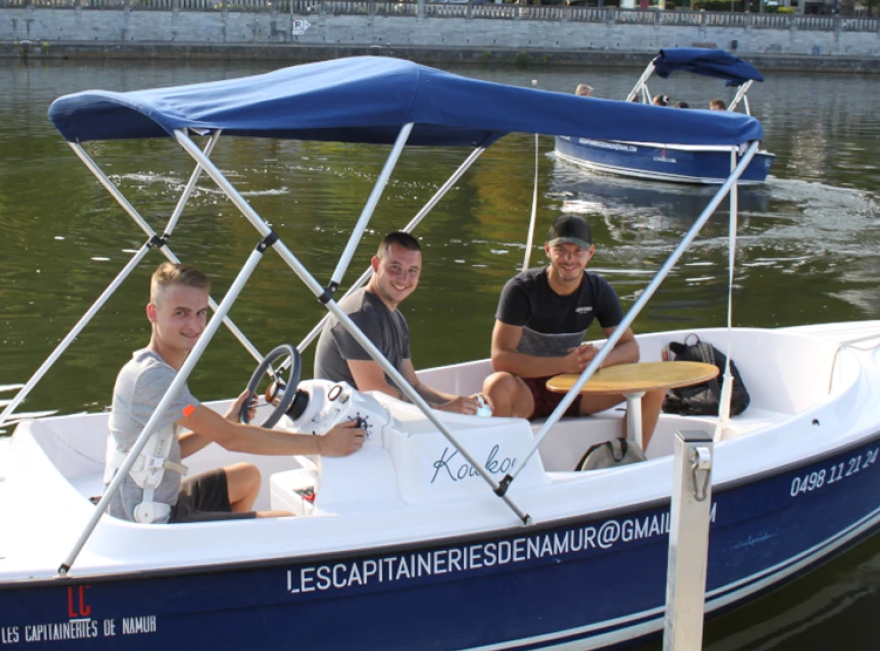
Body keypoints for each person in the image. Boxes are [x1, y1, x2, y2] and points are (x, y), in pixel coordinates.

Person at [107, 262, 364, 524]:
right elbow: (232, 440)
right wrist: (322, 444)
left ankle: (234, 541)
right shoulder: (153, 378)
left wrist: (227, 419)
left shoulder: (160, 368)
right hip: (148, 515)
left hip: (164, 496)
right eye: (181, 313)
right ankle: (236, 541)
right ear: (153, 313)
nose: (194, 325)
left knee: (247, 476)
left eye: (200, 313)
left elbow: (173, 451)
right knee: (290, 521)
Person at [480, 214, 665, 451]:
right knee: (497, 384)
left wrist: (599, 359)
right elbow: (501, 358)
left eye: (578, 251)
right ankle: (498, 463)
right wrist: (564, 364)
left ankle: (629, 460)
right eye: (561, 250)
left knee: (654, 387)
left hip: (577, 387)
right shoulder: (521, 289)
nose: (569, 259)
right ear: (547, 250)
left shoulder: (598, 290)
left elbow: (630, 348)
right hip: (528, 388)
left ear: (591, 253)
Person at [315, 231, 479, 414]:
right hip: (344, 427)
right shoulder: (359, 314)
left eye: (412, 271)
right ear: (376, 265)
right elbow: (374, 392)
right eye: (395, 267)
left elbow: (412, 385)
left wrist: (464, 402)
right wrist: (441, 410)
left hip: (377, 419)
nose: (403, 278)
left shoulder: (397, 318)